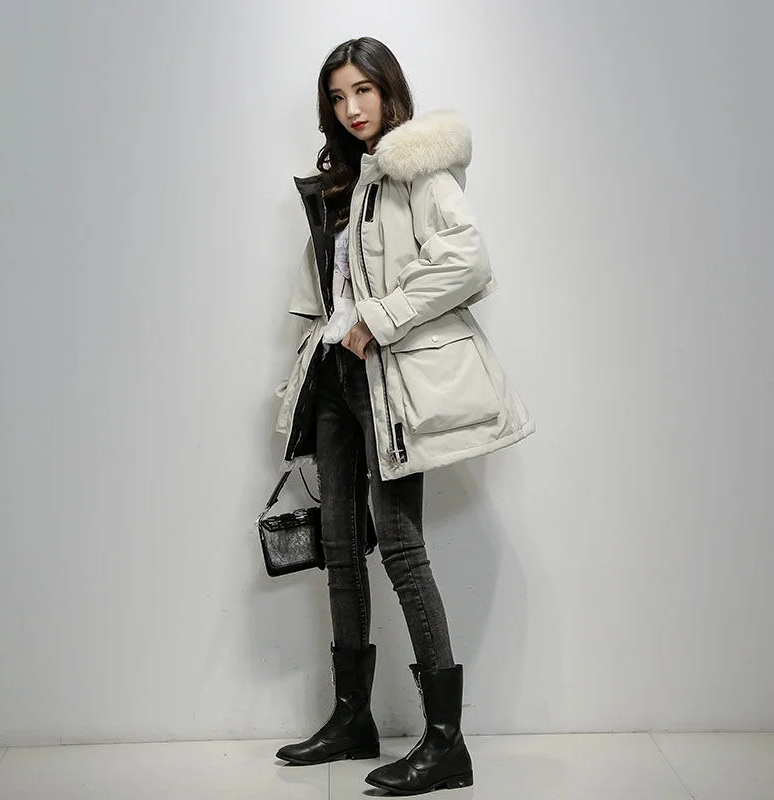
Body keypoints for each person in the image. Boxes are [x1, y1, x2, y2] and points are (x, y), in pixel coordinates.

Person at [273, 36, 535, 795]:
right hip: (335, 380)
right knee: (339, 544)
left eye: (363, 90)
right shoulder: (341, 183)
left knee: (400, 545)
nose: (351, 108)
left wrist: (379, 318)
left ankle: (446, 743)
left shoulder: (417, 168)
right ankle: (351, 717)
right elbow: (323, 291)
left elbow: (467, 259)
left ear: (389, 91)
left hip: (388, 382)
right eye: (337, 96)